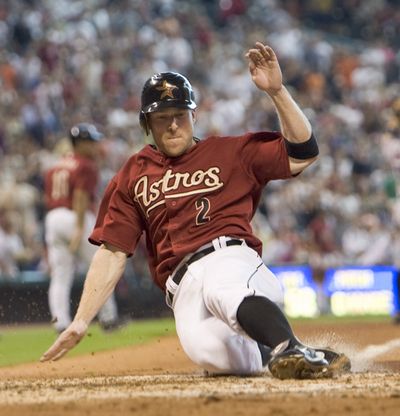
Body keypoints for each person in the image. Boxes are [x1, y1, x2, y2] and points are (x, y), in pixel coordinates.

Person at [40, 43, 350, 379]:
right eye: (162, 118)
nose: (173, 125)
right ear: (147, 123)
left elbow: (303, 152)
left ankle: (288, 345)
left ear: (194, 116)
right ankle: (295, 353)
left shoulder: (231, 152)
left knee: (224, 286)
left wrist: (277, 92)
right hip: (183, 287)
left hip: (229, 258)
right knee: (220, 359)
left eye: (180, 115)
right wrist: (82, 319)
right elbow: (113, 251)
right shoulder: (132, 174)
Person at [43, 123, 120, 333]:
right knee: (100, 267)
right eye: (92, 141)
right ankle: (108, 318)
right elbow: (80, 196)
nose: (95, 145)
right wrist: (78, 227)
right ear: (81, 143)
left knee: (60, 275)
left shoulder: (55, 165)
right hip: (75, 216)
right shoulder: (86, 164)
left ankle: (60, 322)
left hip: (53, 218)